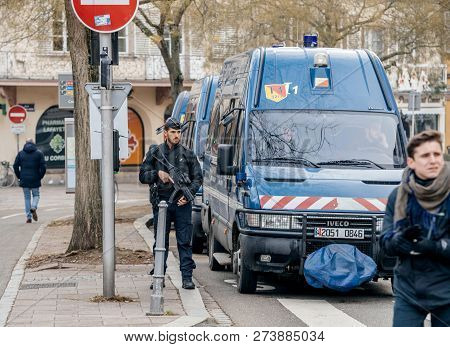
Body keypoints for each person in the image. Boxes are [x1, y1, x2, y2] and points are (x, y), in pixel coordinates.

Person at [380, 130, 450, 327]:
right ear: (411, 161)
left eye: (437, 154)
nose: (433, 160)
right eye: (425, 155)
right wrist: (398, 241)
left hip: (446, 291)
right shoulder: (398, 196)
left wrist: (433, 247)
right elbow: (385, 240)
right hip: (409, 290)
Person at [139, 117, 203, 290]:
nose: (176, 135)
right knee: (161, 242)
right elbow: (142, 176)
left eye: (179, 132)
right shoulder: (155, 153)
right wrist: (157, 174)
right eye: (173, 132)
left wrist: (188, 195)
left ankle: (187, 278)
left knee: (184, 241)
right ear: (165, 133)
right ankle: (158, 276)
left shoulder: (188, 154)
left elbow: (198, 179)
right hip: (162, 203)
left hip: (182, 203)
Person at [13, 138, 46, 223]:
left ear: (25, 143)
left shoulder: (21, 154)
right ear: (33, 143)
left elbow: (15, 166)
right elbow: (43, 167)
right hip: (35, 178)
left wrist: (19, 176)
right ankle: (34, 207)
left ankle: (28, 217)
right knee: (36, 195)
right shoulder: (39, 153)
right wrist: (40, 176)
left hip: (24, 178)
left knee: (27, 198)